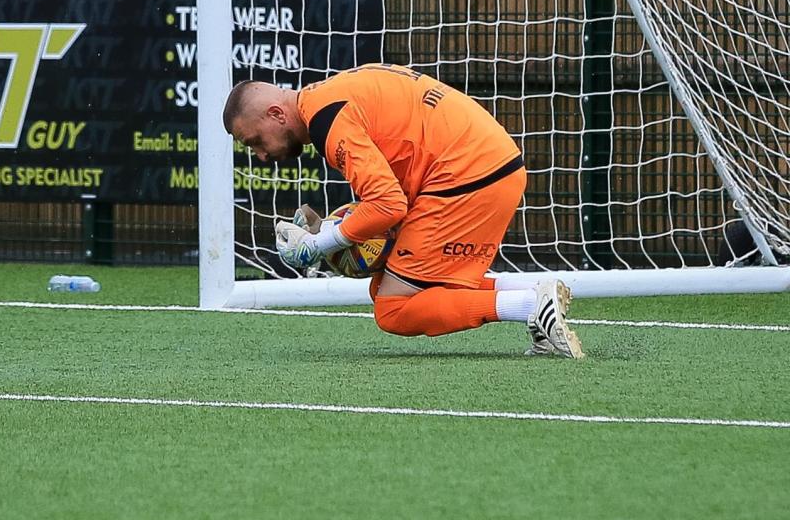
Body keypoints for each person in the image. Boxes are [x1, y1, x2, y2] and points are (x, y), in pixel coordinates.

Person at [223, 63, 583, 357]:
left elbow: (387, 204)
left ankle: (529, 307)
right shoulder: (326, 97)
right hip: (484, 165)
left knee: (392, 308)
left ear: (275, 113)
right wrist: (329, 232)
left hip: (467, 174)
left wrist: (318, 245)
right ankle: (534, 290)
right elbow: (391, 193)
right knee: (384, 284)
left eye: (255, 141)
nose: (261, 155)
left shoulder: (327, 120)